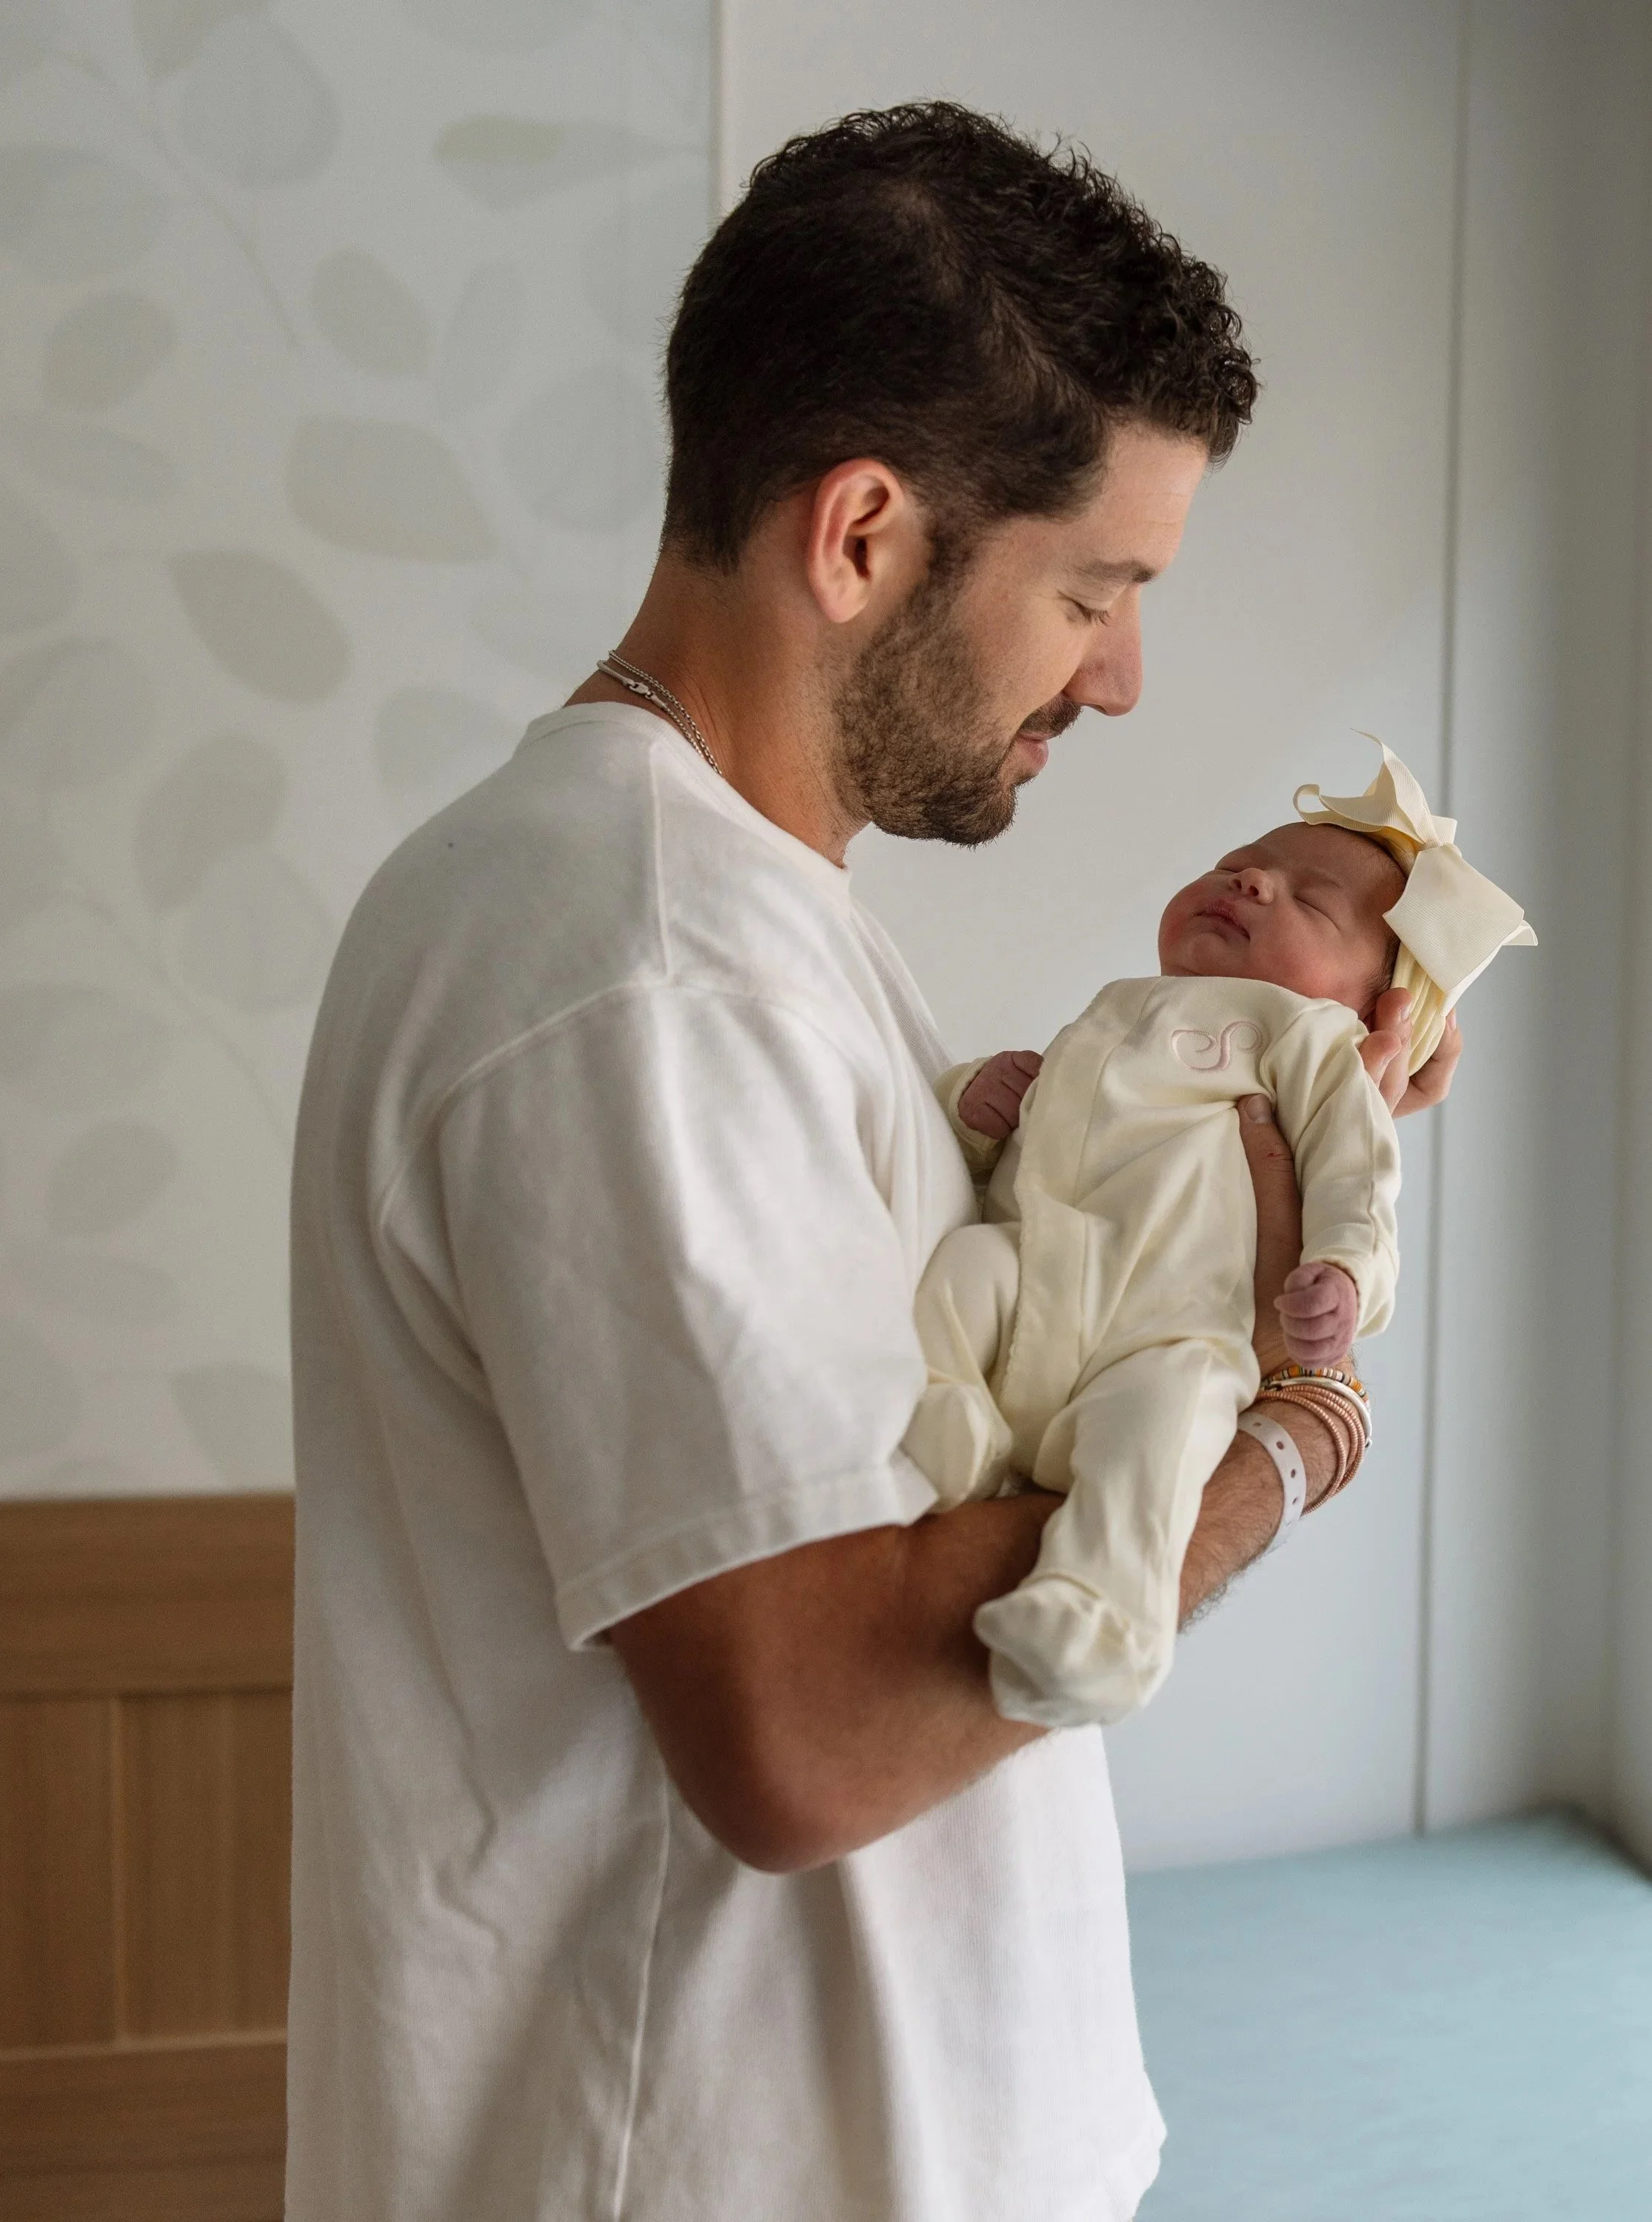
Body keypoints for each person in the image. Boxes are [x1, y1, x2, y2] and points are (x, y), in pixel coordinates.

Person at [286, 104, 1459, 2222]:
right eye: (1091, 590)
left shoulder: (726, 920)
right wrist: (1292, 1431)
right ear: (859, 535)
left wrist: (1243, 1167)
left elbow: (947, 1439)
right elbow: (813, 1733)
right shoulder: (636, 963)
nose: (1120, 676)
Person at [905, 742, 1533, 1730]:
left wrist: (1344, 1270)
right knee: (960, 1271)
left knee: (1155, 1442)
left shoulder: (1308, 1042)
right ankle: (950, 1435)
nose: (1252, 880)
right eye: (1239, 863)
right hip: (1037, 1274)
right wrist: (976, 1103)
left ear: (1374, 1012)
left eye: (1311, 901)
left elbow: (1357, 1173)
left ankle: (1103, 1622)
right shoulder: (1117, 1010)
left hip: (1171, 1328)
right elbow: (996, 1155)